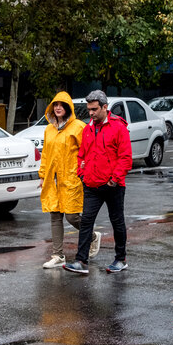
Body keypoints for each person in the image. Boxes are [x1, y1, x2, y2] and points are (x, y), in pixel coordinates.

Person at [64, 89, 132, 275]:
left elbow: (125, 157)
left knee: (117, 222)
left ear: (104, 107)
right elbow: (82, 155)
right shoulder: (87, 129)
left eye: (94, 109)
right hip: (92, 185)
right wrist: (82, 173)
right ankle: (80, 261)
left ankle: (120, 259)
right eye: (89, 110)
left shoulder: (118, 127)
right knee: (86, 221)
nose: (91, 113)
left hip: (113, 186)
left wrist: (114, 179)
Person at [39, 92, 101, 268]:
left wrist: (84, 172)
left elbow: (88, 151)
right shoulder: (49, 129)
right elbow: (46, 155)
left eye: (61, 104)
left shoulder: (79, 127)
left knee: (72, 216)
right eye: (55, 105)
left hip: (72, 178)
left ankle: (93, 236)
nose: (58, 107)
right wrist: (42, 176)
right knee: (54, 215)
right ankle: (58, 255)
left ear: (68, 107)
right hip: (53, 179)